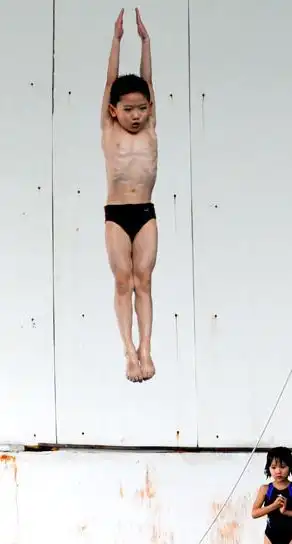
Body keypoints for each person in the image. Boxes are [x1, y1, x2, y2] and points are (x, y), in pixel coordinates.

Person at [101, 8, 158, 382]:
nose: (135, 116)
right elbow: (110, 82)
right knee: (123, 282)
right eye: (128, 110)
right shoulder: (110, 129)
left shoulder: (150, 126)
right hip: (118, 214)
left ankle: (146, 350)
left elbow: (149, 81)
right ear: (113, 110)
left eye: (141, 109)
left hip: (145, 212)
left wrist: (146, 42)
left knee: (144, 281)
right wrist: (117, 40)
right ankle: (128, 352)